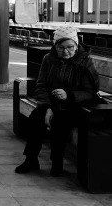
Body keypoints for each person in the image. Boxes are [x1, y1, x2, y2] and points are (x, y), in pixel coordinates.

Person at [15, 26, 99, 177]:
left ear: (76, 44)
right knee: (36, 117)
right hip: (52, 103)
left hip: (75, 105)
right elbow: (41, 85)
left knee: (60, 121)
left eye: (70, 47)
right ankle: (31, 159)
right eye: (60, 47)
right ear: (55, 46)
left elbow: (90, 92)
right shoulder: (49, 59)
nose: (65, 51)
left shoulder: (86, 62)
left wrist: (69, 95)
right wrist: (47, 106)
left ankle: (57, 162)